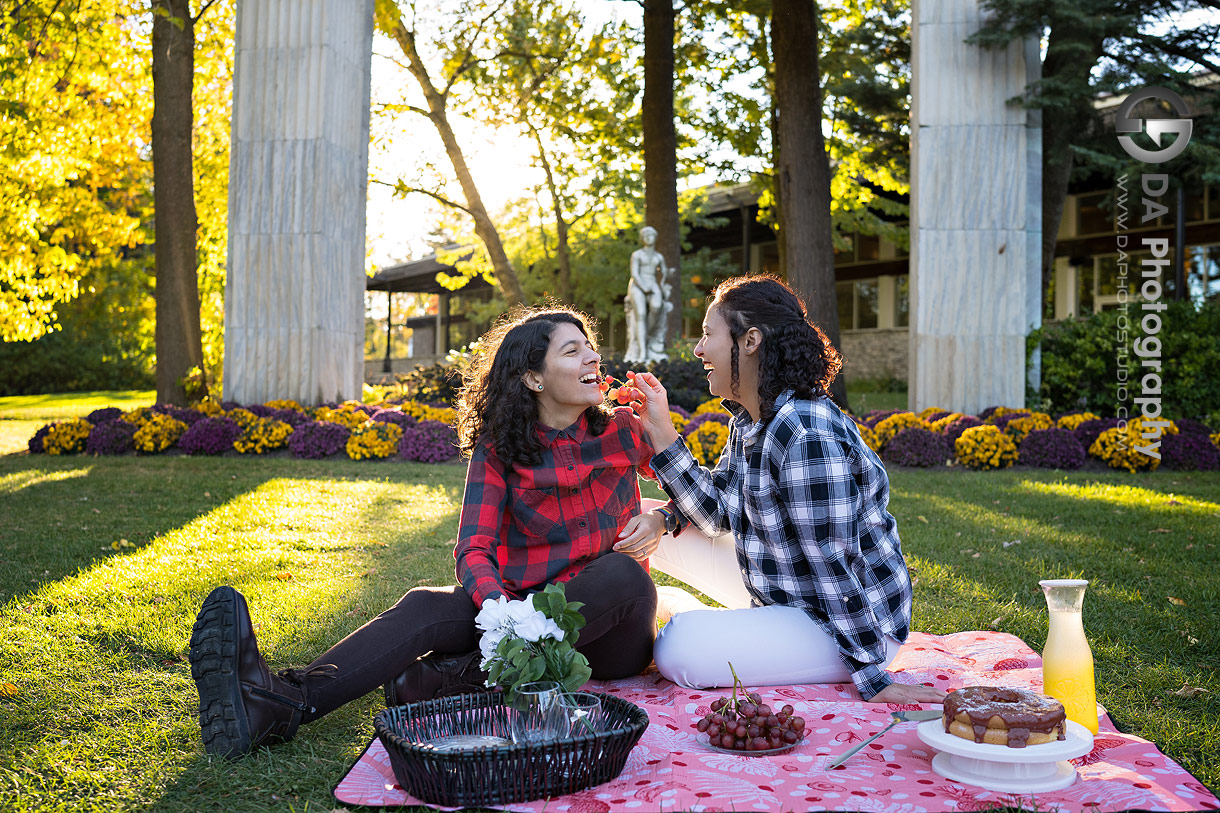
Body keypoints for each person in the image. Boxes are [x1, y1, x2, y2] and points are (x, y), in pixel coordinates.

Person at [188, 307, 673, 759]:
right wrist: (500, 611)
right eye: (572, 351)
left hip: (610, 633)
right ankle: (284, 702)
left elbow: (701, 494)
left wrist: (662, 518)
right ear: (533, 378)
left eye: (590, 347)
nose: (593, 356)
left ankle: (451, 678)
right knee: (425, 605)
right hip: (524, 605)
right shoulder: (500, 449)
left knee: (621, 575)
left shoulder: (628, 431)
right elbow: (474, 548)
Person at [629, 275, 946, 705]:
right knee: (639, 521)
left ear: (751, 340)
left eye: (708, 335)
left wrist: (873, 676)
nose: (698, 350)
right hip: (784, 586)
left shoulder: (804, 433)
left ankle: (701, 623)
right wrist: (661, 444)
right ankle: (723, 625)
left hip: (846, 624)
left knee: (677, 650)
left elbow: (832, 565)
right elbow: (718, 512)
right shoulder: (750, 419)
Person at [624, 225, 671, 363]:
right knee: (641, 315)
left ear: (655, 238)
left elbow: (664, 272)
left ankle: (646, 335)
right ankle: (642, 352)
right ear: (642, 239)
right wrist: (644, 288)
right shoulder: (637, 254)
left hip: (652, 283)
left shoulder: (658, 256)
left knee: (657, 307)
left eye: (651, 235)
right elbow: (635, 274)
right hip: (637, 285)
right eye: (645, 235)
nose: (648, 237)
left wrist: (662, 285)